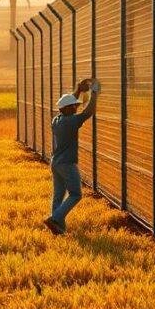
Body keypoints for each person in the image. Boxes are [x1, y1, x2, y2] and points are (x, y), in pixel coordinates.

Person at [44, 78, 99, 235]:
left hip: (56, 163)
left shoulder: (57, 120)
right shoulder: (71, 121)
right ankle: (54, 219)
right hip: (67, 164)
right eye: (74, 106)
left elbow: (67, 104)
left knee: (58, 196)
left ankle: (58, 229)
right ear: (68, 108)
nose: (77, 106)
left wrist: (78, 91)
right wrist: (94, 92)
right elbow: (89, 112)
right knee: (76, 194)